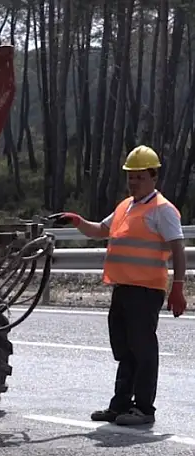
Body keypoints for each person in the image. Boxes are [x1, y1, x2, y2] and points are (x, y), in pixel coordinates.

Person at [49, 145, 186, 427]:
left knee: (143, 349)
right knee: (124, 349)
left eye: (139, 177)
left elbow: (179, 247)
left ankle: (144, 408)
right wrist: (77, 221)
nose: (133, 182)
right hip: (123, 287)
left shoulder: (163, 210)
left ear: (153, 177)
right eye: (130, 177)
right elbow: (101, 230)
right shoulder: (126, 206)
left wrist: (178, 287)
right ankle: (121, 404)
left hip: (146, 290)